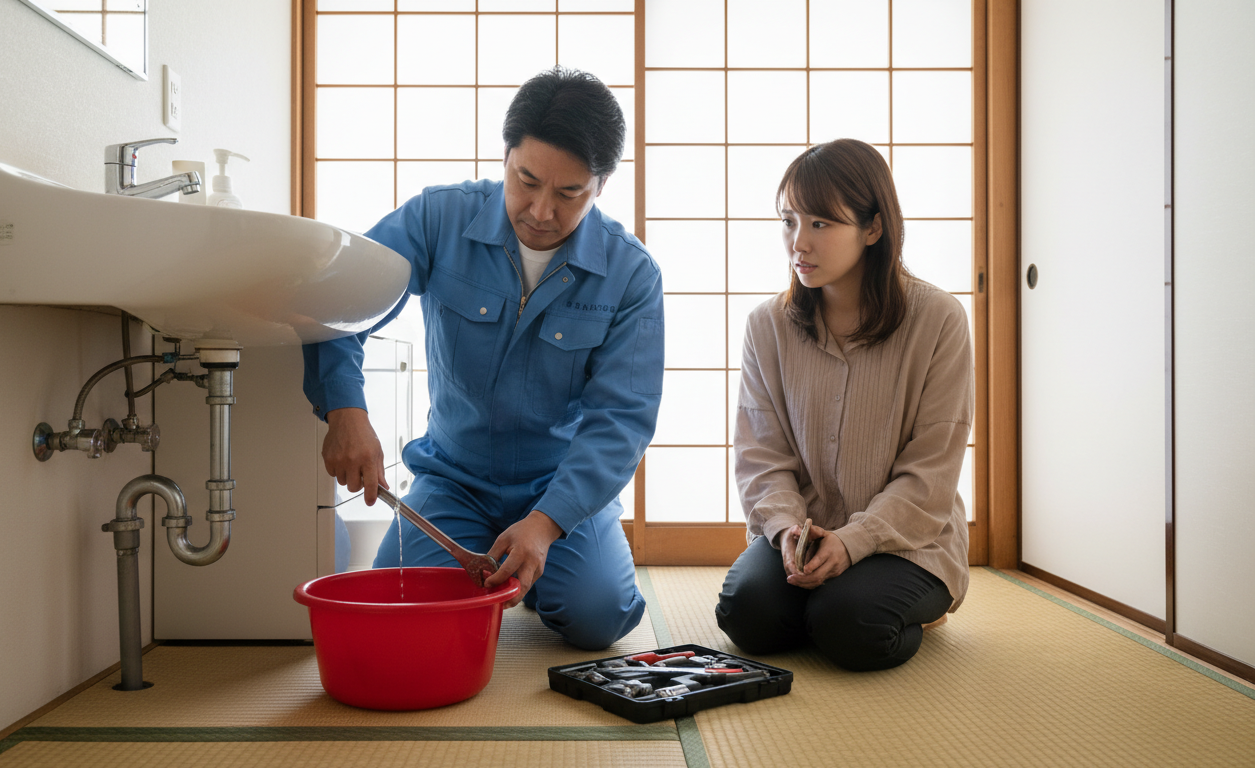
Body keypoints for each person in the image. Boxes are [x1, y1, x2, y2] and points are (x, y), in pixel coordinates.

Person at [303, 67, 664, 651]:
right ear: (506, 156)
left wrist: (547, 526)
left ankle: (547, 565)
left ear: (600, 187)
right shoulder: (436, 219)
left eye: (569, 193)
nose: (541, 210)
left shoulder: (632, 274)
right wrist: (345, 409)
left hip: (560, 488)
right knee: (400, 613)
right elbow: (339, 299)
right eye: (527, 181)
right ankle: (510, 572)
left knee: (597, 618)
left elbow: (622, 419)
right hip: (454, 481)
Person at [715, 139, 973, 671]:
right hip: (803, 536)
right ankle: (820, 601)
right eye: (789, 221)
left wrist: (856, 542)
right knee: (747, 616)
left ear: (873, 228)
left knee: (852, 626)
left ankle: (879, 607)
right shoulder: (767, 326)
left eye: (821, 224)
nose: (798, 243)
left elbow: (930, 471)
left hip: (905, 539)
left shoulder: (939, 320)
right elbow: (761, 454)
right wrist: (788, 529)